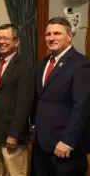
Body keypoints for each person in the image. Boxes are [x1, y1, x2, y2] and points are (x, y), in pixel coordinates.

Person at [33, 17, 90, 176]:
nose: (51, 38)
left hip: (64, 147)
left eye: (57, 33)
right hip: (41, 145)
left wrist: (67, 141)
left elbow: (81, 107)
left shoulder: (81, 64)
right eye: (48, 34)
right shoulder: (43, 63)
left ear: (69, 36)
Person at [0, 24, 34, 176]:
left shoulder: (25, 67)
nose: (1, 42)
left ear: (17, 41)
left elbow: (24, 104)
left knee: (15, 171)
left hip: (11, 128)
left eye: (6, 38)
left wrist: (15, 133)